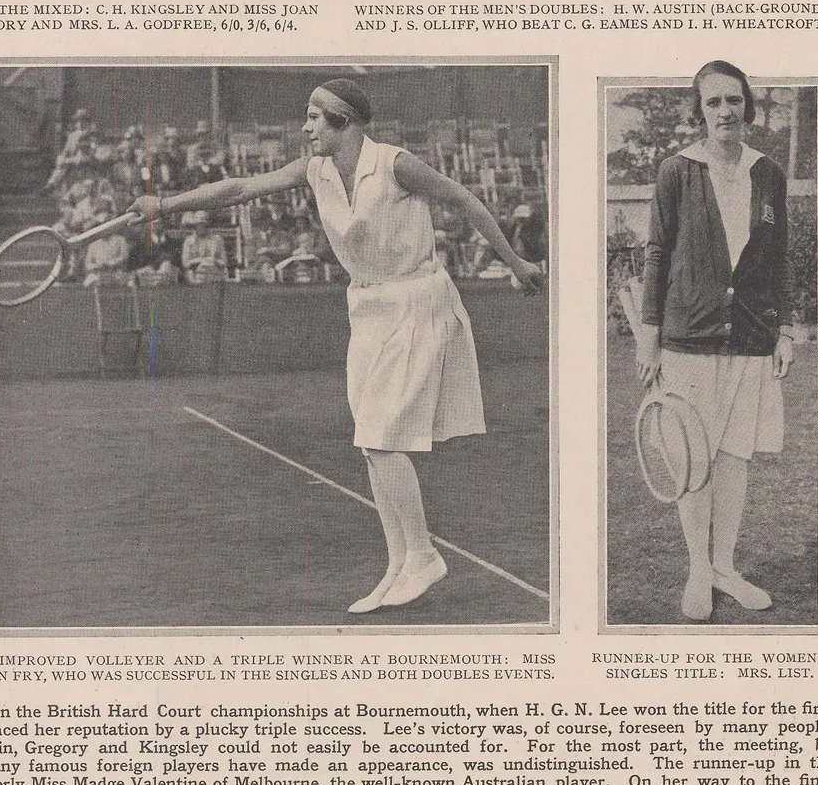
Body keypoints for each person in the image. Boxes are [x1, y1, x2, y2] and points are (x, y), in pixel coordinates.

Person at [130, 79, 542, 612]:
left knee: (382, 437)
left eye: (314, 118)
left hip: (418, 302)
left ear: (344, 122)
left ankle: (423, 555)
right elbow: (235, 190)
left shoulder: (397, 164)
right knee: (370, 442)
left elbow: (462, 199)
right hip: (367, 309)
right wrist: (164, 203)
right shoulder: (313, 169)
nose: (305, 128)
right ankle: (400, 563)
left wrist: (515, 262)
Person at [637, 61, 796, 622]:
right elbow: (657, 253)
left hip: (752, 338)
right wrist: (649, 337)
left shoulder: (769, 173)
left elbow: (777, 259)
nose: (725, 112)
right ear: (699, 111)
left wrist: (783, 329)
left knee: (733, 458)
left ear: (747, 106)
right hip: (688, 337)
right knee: (692, 458)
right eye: (713, 103)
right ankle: (698, 571)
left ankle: (724, 566)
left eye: (734, 101)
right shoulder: (676, 172)